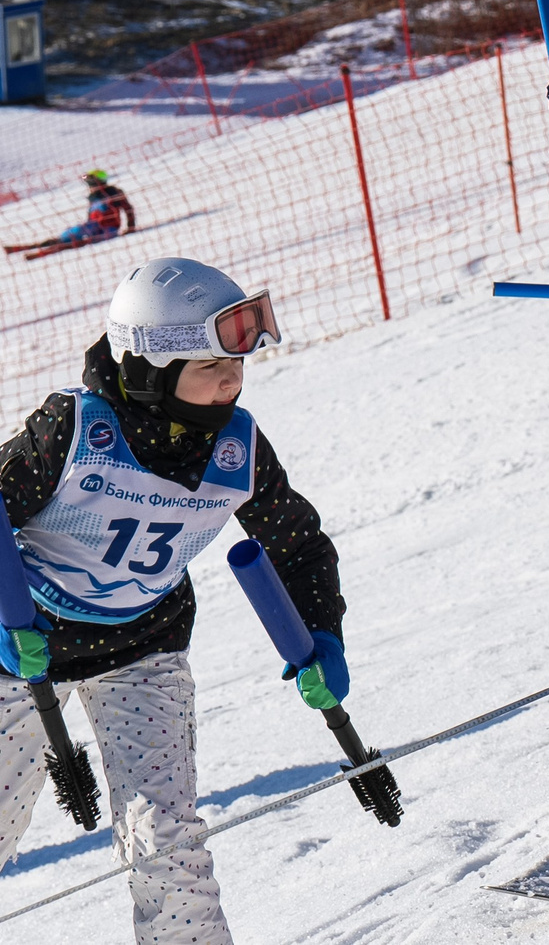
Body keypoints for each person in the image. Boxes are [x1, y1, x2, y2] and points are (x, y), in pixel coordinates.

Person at [0, 258, 346, 945]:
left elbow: (296, 545)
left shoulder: (237, 446)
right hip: (25, 651)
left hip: (143, 652)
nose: (232, 380)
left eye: (238, 363)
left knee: (167, 839)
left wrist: (322, 633)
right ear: (150, 370)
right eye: (210, 365)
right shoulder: (71, 429)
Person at [54, 169, 136, 249]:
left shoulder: (113, 192)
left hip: (110, 228)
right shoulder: (93, 197)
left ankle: (70, 243)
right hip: (94, 226)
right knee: (77, 230)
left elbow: (128, 209)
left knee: (94, 238)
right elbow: (90, 218)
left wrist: (131, 227)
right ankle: (60, 241)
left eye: (91, 185)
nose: (90, 188)